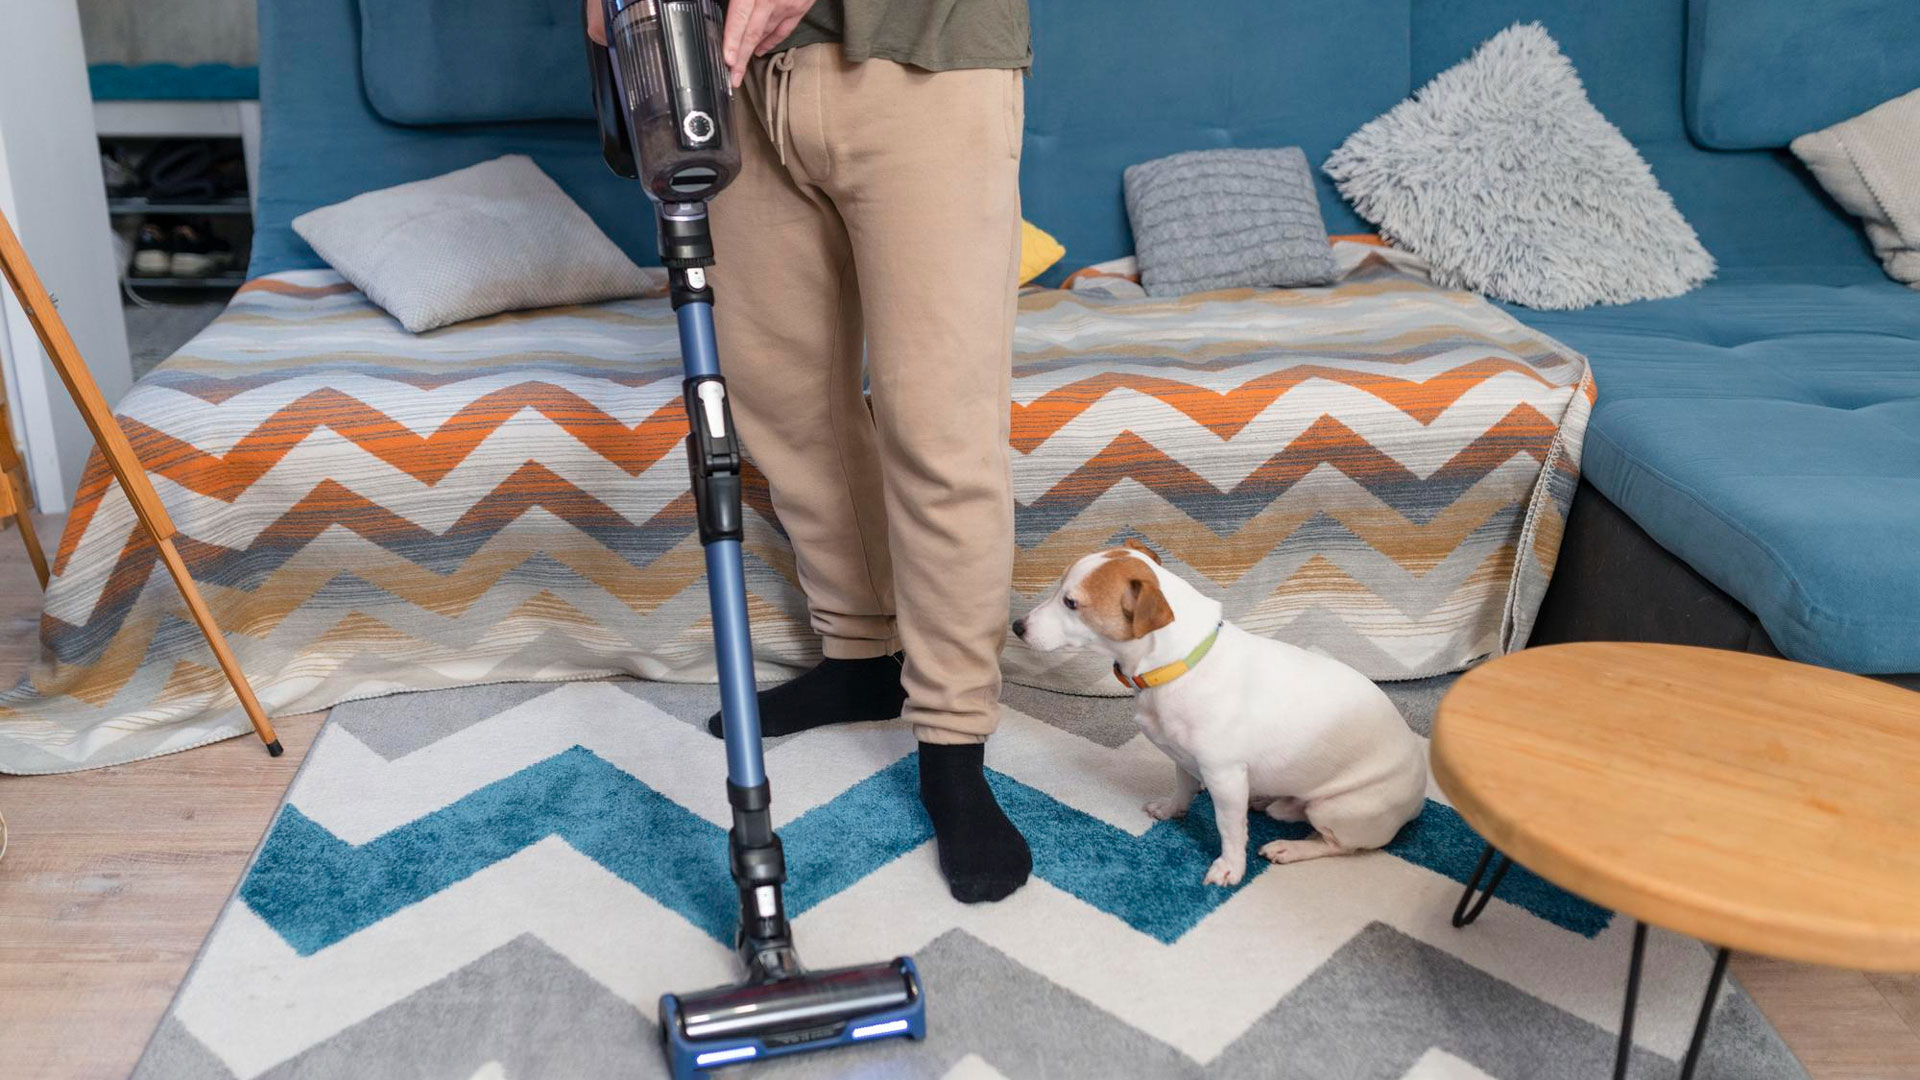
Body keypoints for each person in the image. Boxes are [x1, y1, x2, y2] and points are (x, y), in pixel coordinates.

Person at [589, 0, 1033, 904]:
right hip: (721, 74)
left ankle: (953, 746)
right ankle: (860, 658)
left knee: (937, 426)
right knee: (786, 407)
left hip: (923, 61)